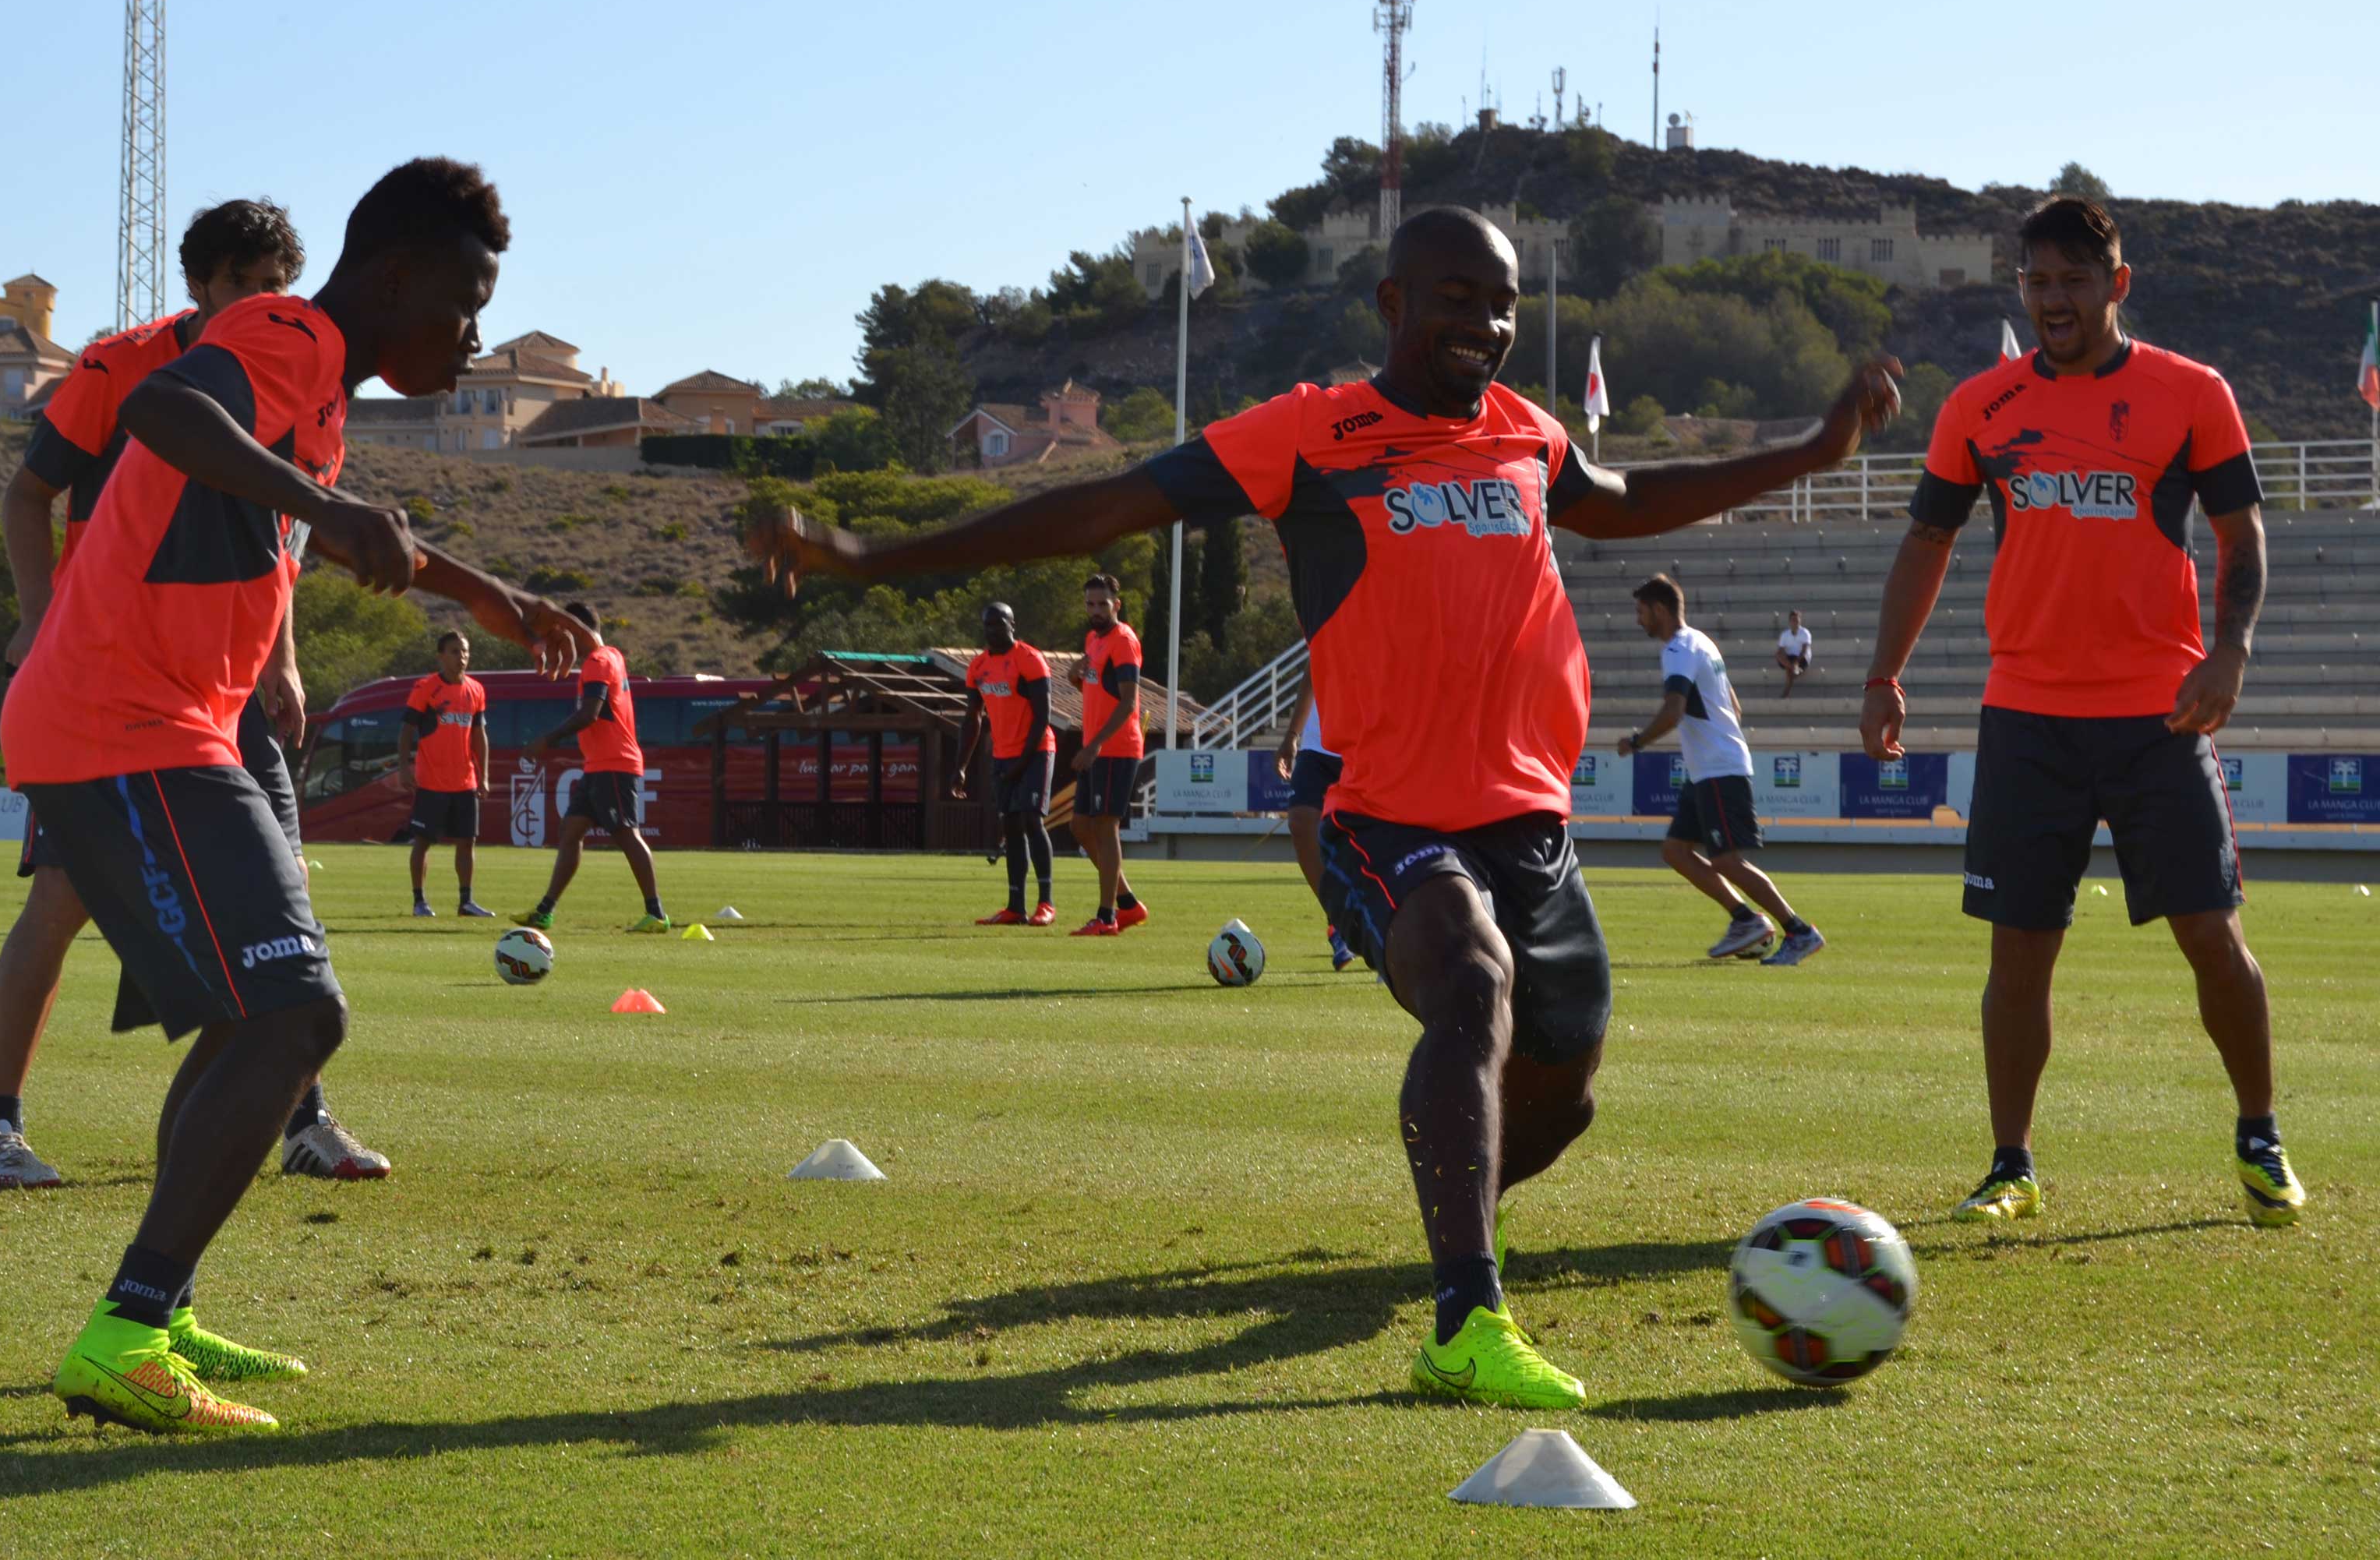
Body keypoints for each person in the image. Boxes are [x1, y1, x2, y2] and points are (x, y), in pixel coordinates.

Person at [752, 205, 1899, 1408]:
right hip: (1382, 807)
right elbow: (1099, 508)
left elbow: (1627, 496)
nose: (1487, 325)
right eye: (1456, 298)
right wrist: (871, 557)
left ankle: (1455, 1204)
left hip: (1532, 819)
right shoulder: (1311, 434)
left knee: (1562, 1098)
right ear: (1394, 305)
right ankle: (1466, 1318)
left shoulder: (1525, 435)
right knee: (1470, 980)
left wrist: (1812, 453)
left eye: (1502, 303)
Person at [3, 157, 590, 1435]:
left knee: (241, 1020)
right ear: (392, 280)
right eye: (467, 301)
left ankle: (163, 1311)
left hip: (168, 726)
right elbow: (166, 409)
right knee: (295, 1012)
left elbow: (328, 521)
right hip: (122, 723)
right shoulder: (284, 329)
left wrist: (488, 596)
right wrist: (326, 499)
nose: (475, 334)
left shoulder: (319, 382)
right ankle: (126, 1325)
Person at [1859, 194, 2302, 1230]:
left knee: (2211, 933)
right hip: (2027, 716)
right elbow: (1927, 542)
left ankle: (2259, 1136)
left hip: (2162, 715)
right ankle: (2011, 1163)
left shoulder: (2190, 394)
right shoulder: (1979, 405)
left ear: (2117, 285)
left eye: (2073, 281)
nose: (2054, 300)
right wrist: (1884, 673)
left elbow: (2242, 536)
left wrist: (2230, 650)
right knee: (2019, 951)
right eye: (2037, 281)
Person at [0, 200, 397, 1193]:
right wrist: (36, 616)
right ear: (200, 286)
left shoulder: (308, 376)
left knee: (280, 883)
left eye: (273, 284)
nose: (260, 302)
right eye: (240, 283)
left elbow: (277, 538)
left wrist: (282, 657)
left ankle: (301, 1115)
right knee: (64, 898)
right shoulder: (122, 366)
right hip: (111, 685)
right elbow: (29, 494)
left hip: (230, 689)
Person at [1617, 575, 1824, 966]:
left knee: (1727, 860)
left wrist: (1638, 742)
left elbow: (1675, 710)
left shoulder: (1677, 649)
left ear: (1659, 610)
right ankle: (1746, 920)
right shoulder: (1702, 641)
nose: (1638, 620)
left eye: (1641, 612)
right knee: (1676, 850)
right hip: (1707, 770)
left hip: (1718, 768)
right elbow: (1734, 706)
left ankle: (1798, 930)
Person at [521, 603, 669, 934]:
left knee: (626, 834)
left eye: (564, 634)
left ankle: (656, 913)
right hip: (598, 765)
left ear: (574, 630)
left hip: (615, 764)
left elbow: (591, 713)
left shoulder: (599, 662)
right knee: (571, 831)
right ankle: (545, 910)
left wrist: (547, 739)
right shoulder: (611, 655)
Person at [952, 602, 1058, 925]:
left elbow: (1043, 715)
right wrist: (961, 765)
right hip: (1002, 755)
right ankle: (1015, 906)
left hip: (1037, 751)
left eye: (999, 624)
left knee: (1031, 819)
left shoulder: (1029, 660)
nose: (993, 630)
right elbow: (973, 719)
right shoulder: (978, 667)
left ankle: (1046, 904)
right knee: (1011, 826)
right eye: (988, 625)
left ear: (1013, 624)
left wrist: (1023, 762)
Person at [1063, 574, 1149, 937]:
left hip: (1115, 747)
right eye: (1090, 604)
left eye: (1102, 604)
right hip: (1096, 747)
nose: (1096, 611)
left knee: (1105, 825)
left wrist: (1095, 744)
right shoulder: (1093, 640)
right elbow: (1099, 687)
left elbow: (1128, 701)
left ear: (1118, 604)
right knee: (1080, 826)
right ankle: (1128, 904)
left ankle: (1107, 915)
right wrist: (1074, 677)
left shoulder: (1124, 641)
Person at [399, 630, 491, 919]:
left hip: (465, 781)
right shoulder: (426, 688)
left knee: (467, 841)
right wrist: (404, 767)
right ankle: (419, 901)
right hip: (431, 781)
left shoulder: (476, 690)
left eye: (464, 651)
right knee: (423, 841)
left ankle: (466, 902)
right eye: (454, 651)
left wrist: (484, 775)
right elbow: (407, 730)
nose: (461, 657)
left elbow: (479, 735)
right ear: (441, 656)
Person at [1273, 674, 1355, 969]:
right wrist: (1292, 735)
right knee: (1300, 822)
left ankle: (1387, 933)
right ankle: (1339, 921)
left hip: (1369, 741)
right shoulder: (1323, 625)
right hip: (1318, 747)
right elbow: (1313, 670)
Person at [1774, 610, 1812, 697]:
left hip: (1802, 658)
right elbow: (1780, 651)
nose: (1795, 622)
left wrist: (1796, 662)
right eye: (1793, 620)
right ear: (1789, 622)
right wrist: (1792, 665)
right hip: (1789, 658)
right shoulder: (1785, 634)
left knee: (1788, 671)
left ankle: (1786, 692)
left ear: (1800, 621)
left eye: (1796, 620)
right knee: (1779, 656)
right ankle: (1796, 670)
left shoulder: (1805, 633)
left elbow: (1804, 651)